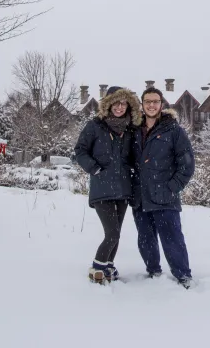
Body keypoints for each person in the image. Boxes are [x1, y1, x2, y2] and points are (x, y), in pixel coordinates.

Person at [74, 85, 141, 284]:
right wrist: (95, 169)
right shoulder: (94, 126)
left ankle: (109, 267)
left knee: (117, 233)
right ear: (108, 104)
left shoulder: (130, 129)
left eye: (123, 103)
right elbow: (80, 151)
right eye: (115, 103)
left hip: (123, 187)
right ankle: (97, 267)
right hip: (102, 187)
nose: (119, 107)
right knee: (111, 233)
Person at [131, 87, 195, 288]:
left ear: (161, 104)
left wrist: (172, 188)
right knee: (145, 239)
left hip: (165, 196)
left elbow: (187, 164)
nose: (151, 105)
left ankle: (183, 275)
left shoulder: (173, 130)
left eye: (155, 101)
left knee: (173, 239)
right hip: (140, 196)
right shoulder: (134, 130)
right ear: (142, 104)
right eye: (147, 101)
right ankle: (154, 273)